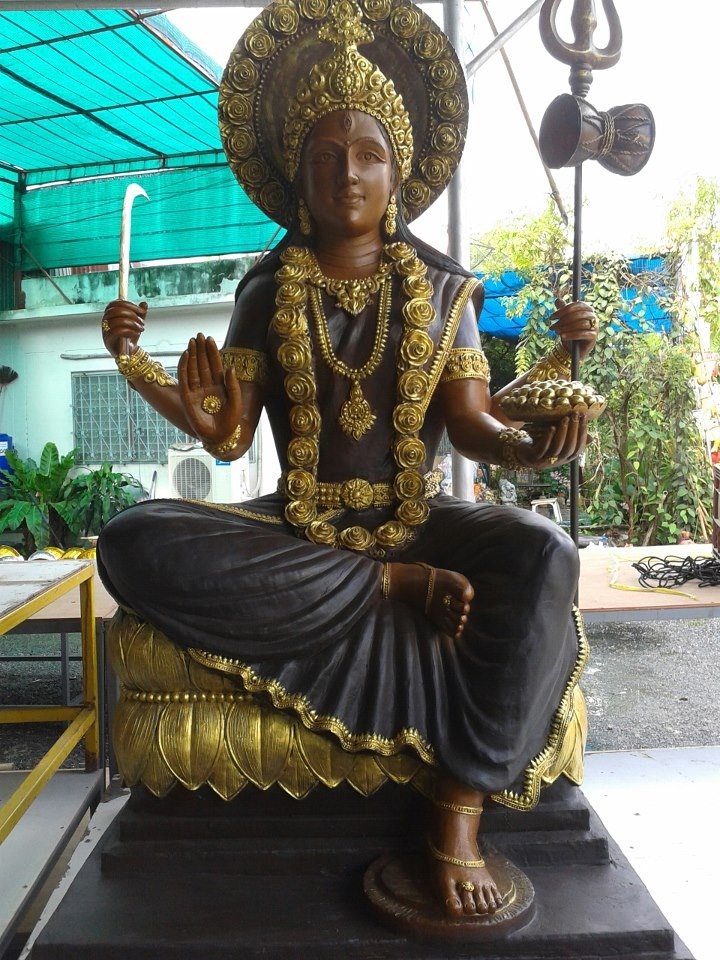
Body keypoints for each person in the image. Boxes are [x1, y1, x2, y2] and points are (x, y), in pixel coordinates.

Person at [98, 0, 598, 922]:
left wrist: (524, 445)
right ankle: (386, 588)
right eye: (325, 158)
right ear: (297, 178)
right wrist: (156, 380)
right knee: (133, 538)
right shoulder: (266, 288)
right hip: (302, 525)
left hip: (417, 518)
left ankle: (459, 811)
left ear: (400, 172)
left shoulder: (444, 291)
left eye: (368, 155)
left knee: (544, 553)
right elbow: (230, 438)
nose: (348, 175)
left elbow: (473, 423)